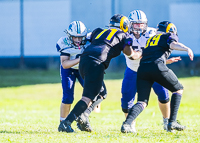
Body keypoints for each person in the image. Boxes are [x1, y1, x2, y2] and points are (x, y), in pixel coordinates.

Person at [58, 14, 141, 133]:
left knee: (101, 92)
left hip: (84, 61)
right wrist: (137, 54)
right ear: (124, 26)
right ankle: (67, 122)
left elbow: (86, 38)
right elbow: (129, 54)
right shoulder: (124, 35)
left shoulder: (98, 31)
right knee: (88, 97)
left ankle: (84, 115)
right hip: (96, 63)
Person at [121, 21, 193, 133]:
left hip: (142, 69)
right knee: (178, 89)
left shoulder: (150, 39)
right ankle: (171, 122)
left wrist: (166, 61)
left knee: (142, 101)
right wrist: (186, 49)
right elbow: (173, 44)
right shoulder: (167, 36)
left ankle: (126, 124)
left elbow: (148, 55)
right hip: (156, 67)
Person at [56, 21, 105, 129]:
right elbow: (64, 64)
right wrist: (81, 59)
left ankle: (83, 117)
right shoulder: (63, 42)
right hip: (69, 70)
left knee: (93, 94)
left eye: (80, 37)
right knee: (68, 97)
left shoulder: (89, 40)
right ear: (69, 36)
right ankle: (63, 122)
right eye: (75, 37)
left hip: (84, 69)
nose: (78, 40)